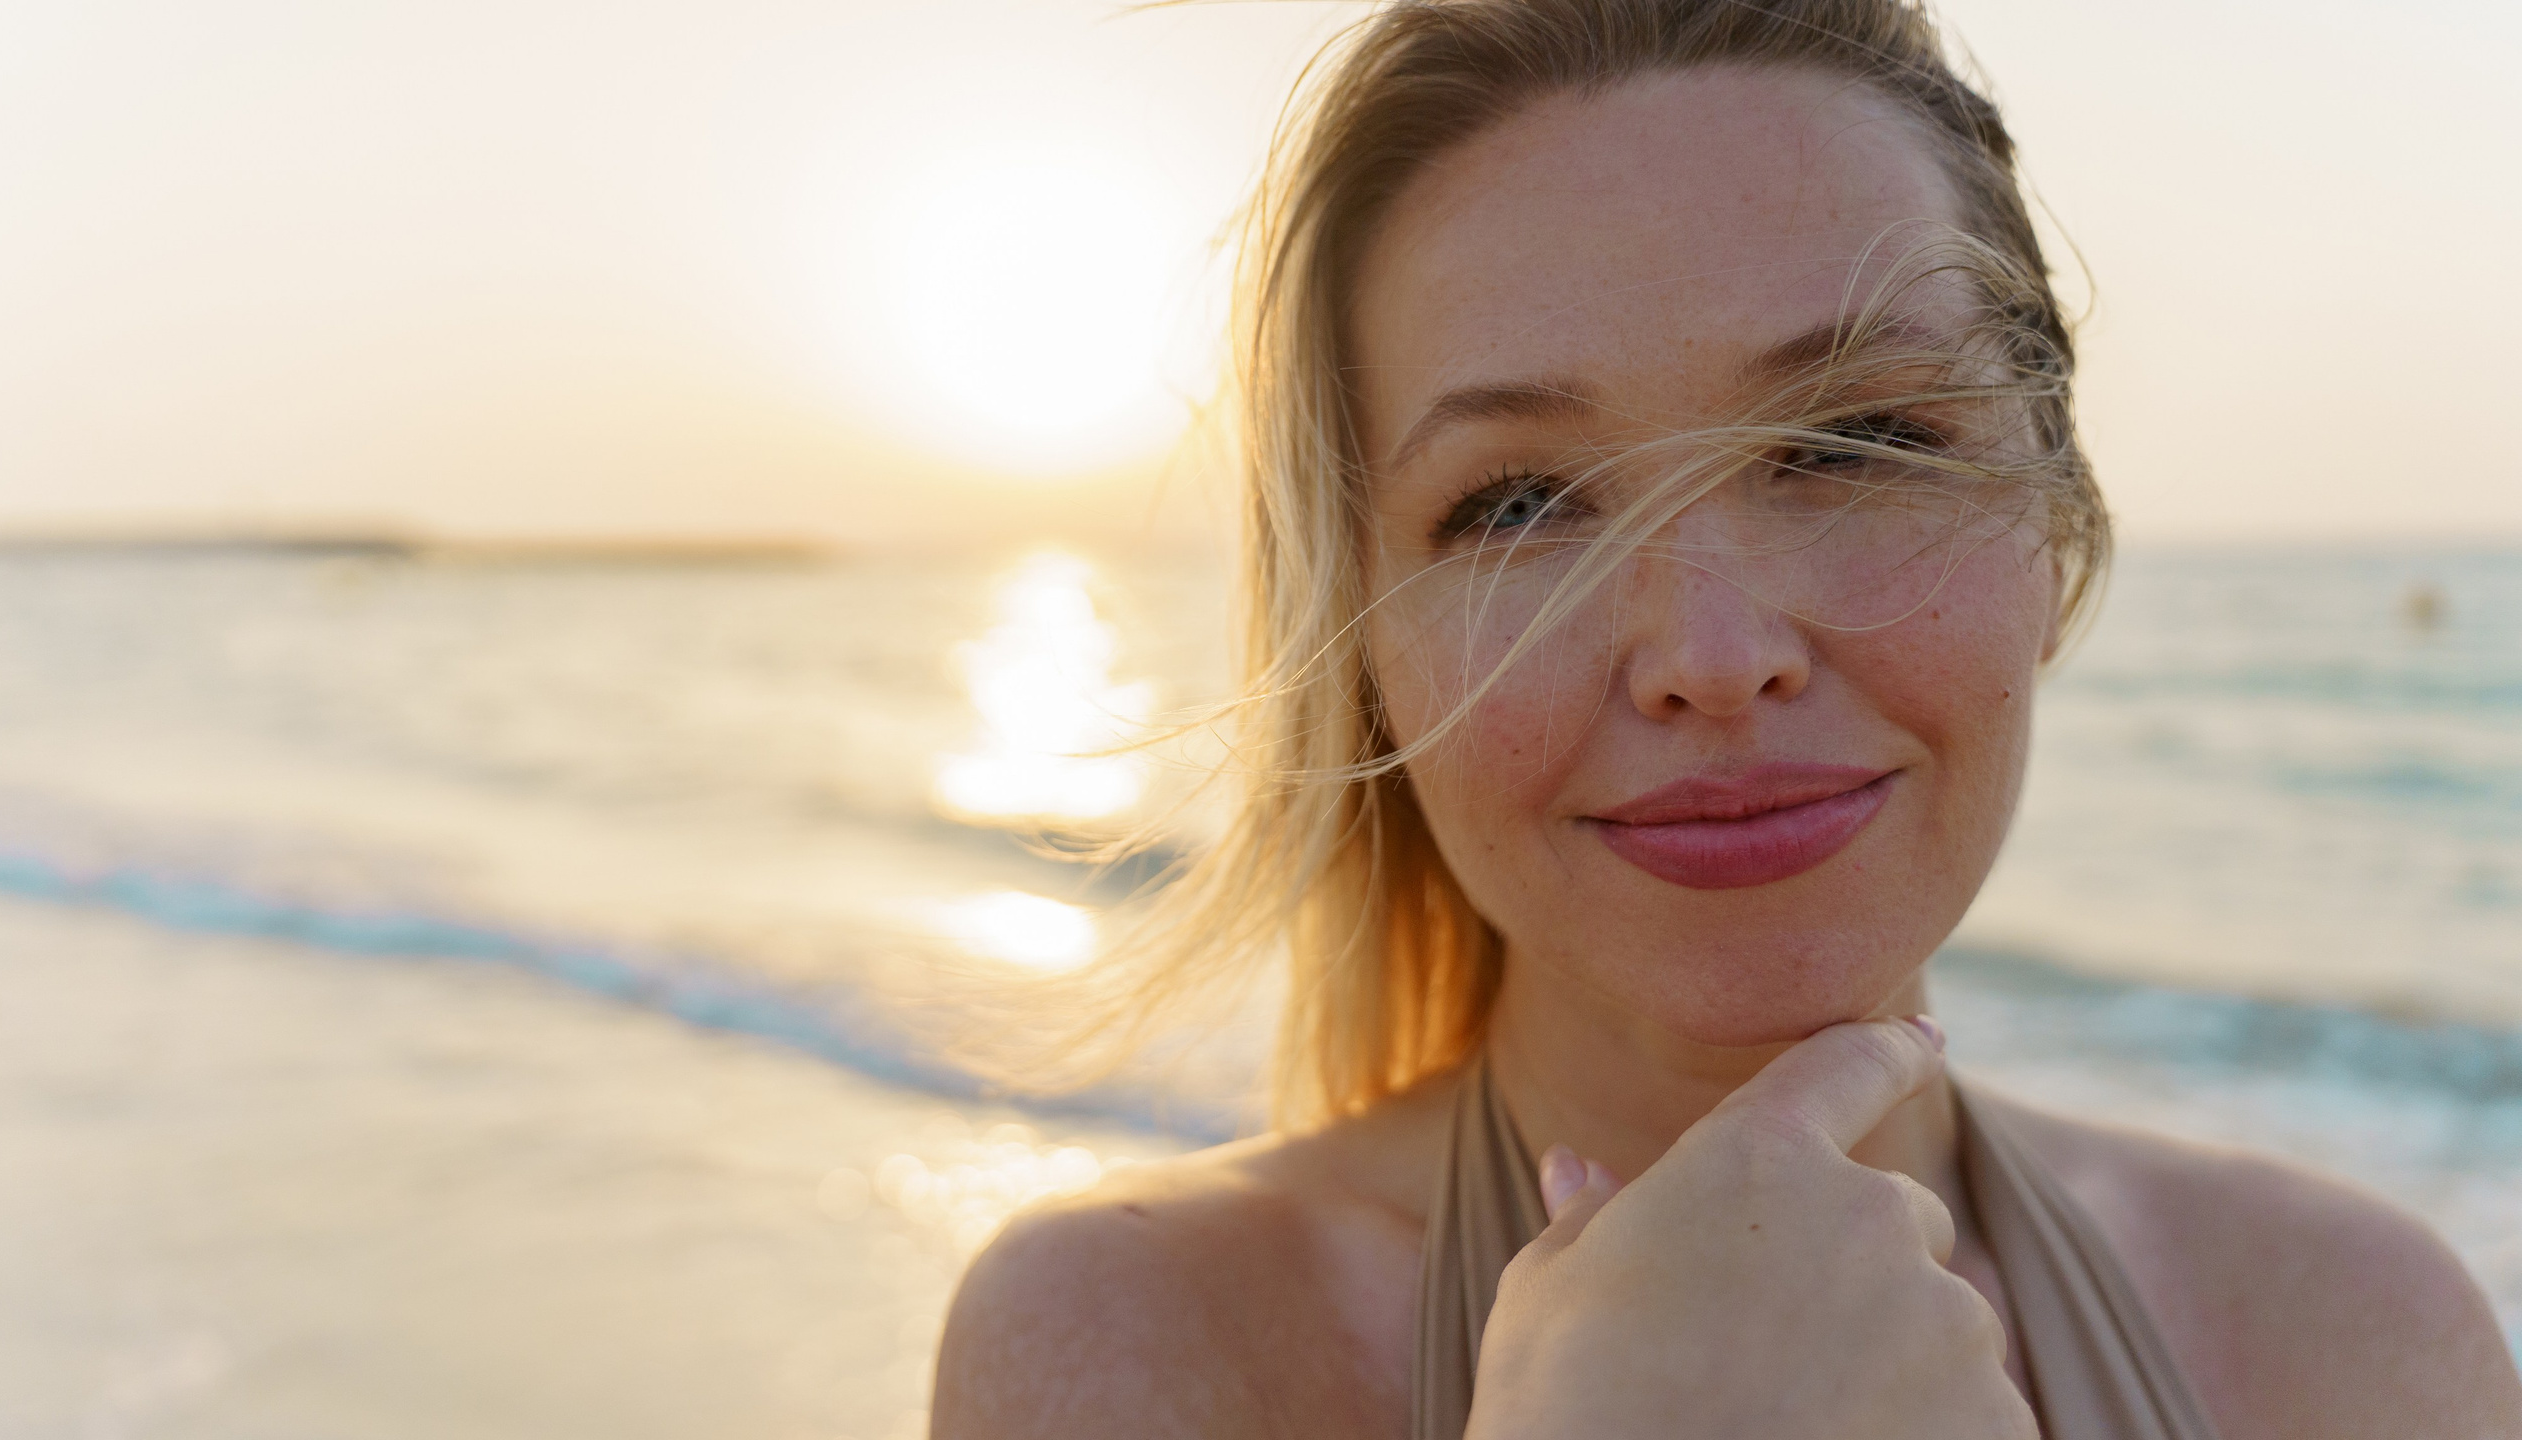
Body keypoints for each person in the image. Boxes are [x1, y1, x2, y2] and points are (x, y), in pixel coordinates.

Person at [931, 2, 2522, 1435]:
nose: (1711, 649)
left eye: (1854, 445)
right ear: (1366, 648)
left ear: (2055, 520)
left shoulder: (2350, 1339)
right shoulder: (1131, 1353)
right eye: (1521, 503)